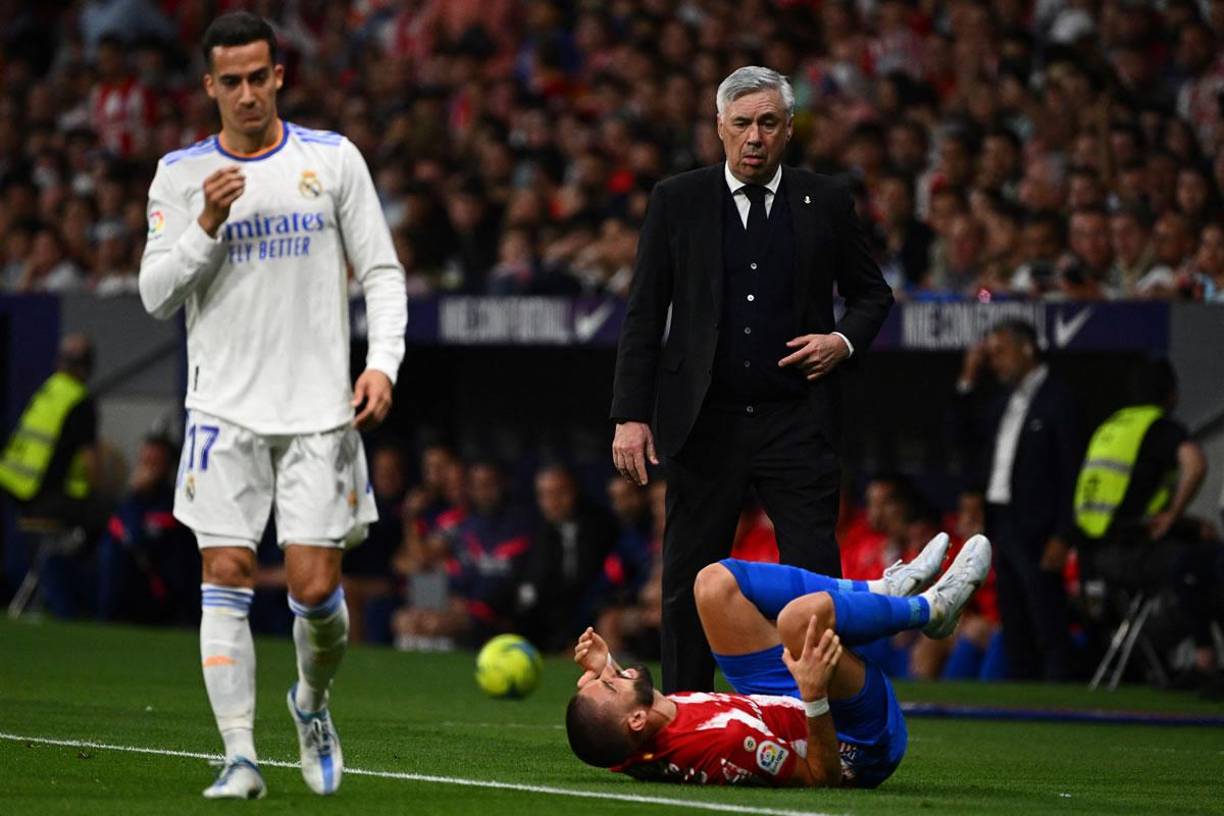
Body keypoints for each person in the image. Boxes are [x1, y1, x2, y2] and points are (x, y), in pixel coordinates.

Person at [137, 12, 406, 799]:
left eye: (261, 77)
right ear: (210, 86)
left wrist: (382, 364)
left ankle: (311, 704)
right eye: (233, 81)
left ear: (279, 76)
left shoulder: (331, 159)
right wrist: (207, 224)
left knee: (315, 590)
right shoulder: (181, 175)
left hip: (322, 412)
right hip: (222, 412)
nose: (248, 94)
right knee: (225, 570)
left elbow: (382, 272)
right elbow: (156, 295)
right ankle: (239, 755)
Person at [609, 65, 894, 693]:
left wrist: (841, 340)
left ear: (790, 129)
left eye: (768, 122)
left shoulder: (827, 201)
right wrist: (631, 415)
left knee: (816, 579)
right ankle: (684, 710)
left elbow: (874, 296)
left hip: (797, 419)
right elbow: (644, 312)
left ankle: (825, 717)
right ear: (719, 128)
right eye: (741, 124)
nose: (754, 137)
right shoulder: (676, 200)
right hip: (704, 420)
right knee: (687, 579)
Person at [566, 532, 991, 787]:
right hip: (853, 738)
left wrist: (606, 672)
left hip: (773, 701)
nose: (609, 676)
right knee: (798, 621)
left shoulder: (631, 743)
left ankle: (881, 589)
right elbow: (821, 776)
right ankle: (931, 611)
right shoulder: (727, 743)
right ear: (636, 720)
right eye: (611, 685)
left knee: (713, 584)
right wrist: (814, 692)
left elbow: (604, 733)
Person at [1074, 359, 1220, 683]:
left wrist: (1183, 524)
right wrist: (1176, 516)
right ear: (1171, 396)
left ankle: (1160, 656)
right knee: (1203, 566)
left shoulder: (1111, 427)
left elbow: (1124, 502)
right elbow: (1195, 464)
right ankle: (1203, 661)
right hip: (1128, 554)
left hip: (1092, 553)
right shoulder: (1160, 428)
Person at [952, 319, 1080, 681]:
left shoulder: (1059, 400)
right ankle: (1024, 693)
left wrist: (1064, 533)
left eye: (1001, 352)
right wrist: (967, 379)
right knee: (1013, 616)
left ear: (1028, 349)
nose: (995, 361)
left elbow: (1072, 472)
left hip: (1039, 527)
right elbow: (965, 442)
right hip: (1001, 521)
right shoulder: (1001, 402)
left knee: (1047, 614)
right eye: (991, 354)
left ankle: (1060, 693)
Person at [0, 334, 101, 529]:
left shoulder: (48, 389)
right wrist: (100, 491)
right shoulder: (80, 402)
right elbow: (91, 464)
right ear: (87, 367)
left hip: (11, 487)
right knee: (108, 517)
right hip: (42, 496)